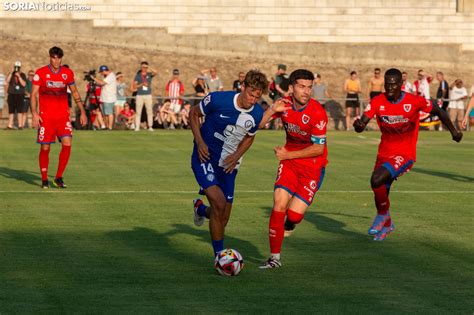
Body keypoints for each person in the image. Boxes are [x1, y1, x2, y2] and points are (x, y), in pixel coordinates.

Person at [353, 68, 462, 241]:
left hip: (405, 153)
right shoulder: (377, 101)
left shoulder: (414, 101)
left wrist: (454, 132)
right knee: (380, 189)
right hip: (384, 153)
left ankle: (382, 216)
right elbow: (362, 122)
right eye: (387, 84)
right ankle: (388, 224)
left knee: (376, 179)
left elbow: (439, 110)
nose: (389, 88)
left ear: (401, 85)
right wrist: (358, 126)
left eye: (393, 84)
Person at [190, 69, 269, 257]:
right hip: (205, 157)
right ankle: (220, 256)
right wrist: (200, 142)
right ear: (243, 87)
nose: (252, 100)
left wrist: (237, 155)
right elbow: (194, 114)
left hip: (228, 165)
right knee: (218, 203)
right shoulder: (218, 99)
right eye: (250, 94)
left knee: (223, 217)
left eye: (257, 97)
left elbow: (250, 137)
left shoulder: (257, 113)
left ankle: (200, 209)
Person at [257, 69, 328, 269]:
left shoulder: (317, 113)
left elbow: (318, 149)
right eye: (301, 87)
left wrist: (288, 154)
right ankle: (274, 258)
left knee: (294, 216)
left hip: (313, 166)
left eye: (309, 87)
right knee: (279, 204)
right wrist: (272, 110)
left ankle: (290, 223)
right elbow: (258, 124)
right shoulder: (284, 105)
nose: (306, 91)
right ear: (291, 88)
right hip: (289, 164)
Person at [30, 46, 87, 189]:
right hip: (46, 117)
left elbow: (74, 92)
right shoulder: (41, 73)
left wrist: (82, 111)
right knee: (45, 148)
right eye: (54, 57)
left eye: (59, 58)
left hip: (62, 117)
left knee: (67, 144)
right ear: (50, 57)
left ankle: (58, 177)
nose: (56, 60)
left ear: (61, 58)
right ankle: (44, 178)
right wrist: (34, 113)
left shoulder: (67, 73)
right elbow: (33, 94)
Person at [133, 61, 157, 131]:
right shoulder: (138, 75)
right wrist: (142, 84)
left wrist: (149, 67)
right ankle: (137, 126)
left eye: (146, 67)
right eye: (143, 67)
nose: (144, 69)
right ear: (141, 67)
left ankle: (150, 126)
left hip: (148, 95)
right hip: (140, 95)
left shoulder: (149, 74)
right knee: (138, 111)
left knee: (149, 111)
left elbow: (156, 72)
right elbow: (135, 86)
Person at [93, 65, 117, 130]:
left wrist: (93, 78)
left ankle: (110, 127)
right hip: (105, 98)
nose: (101, 74)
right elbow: (102, 84)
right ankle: (107, 126)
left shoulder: (110, 76)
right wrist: (95, 83)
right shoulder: (107, 77)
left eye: (101, 72)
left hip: (109, 98)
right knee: (105, 113)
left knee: (109, 113)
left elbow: (102, 83)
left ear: (104, 71)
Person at [6, 61, 27, 129]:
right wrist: (11, 73)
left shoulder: (23, 75)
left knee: (19, 110)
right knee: (11, 110)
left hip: (20, 95)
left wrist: (19, 76)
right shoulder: (11, 74)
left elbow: (24, 84)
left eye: (18, 67)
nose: (16, 68)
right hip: (11, 94)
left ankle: (20, 125)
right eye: (15, 67)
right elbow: (7, 81)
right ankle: (9, 125)